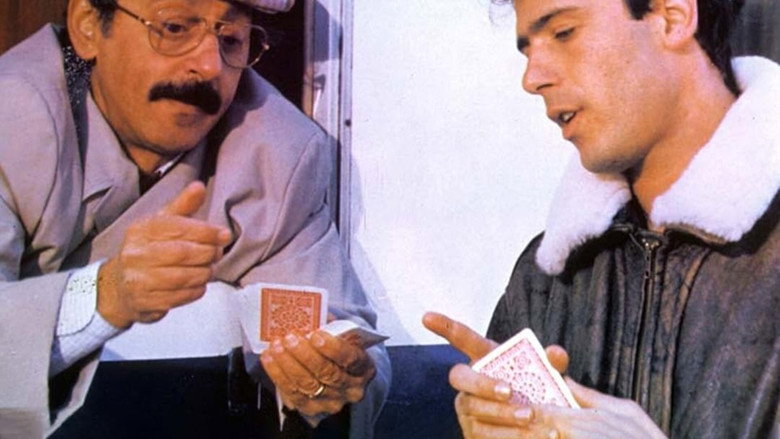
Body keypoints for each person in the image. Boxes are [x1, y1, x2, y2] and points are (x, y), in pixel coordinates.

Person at [0, 0, 389, 437]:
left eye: (231, 40)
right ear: (88, 25)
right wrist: (106, 295)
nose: (208, 67)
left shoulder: (275, 151)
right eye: (175, 28)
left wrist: (335, 377)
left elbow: (346, 332)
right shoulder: (12, 116)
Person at [424, 0, 779, 436]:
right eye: (527, 49)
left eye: (563, 33)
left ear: (673, 18)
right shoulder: (545, 278)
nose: (532, 79)